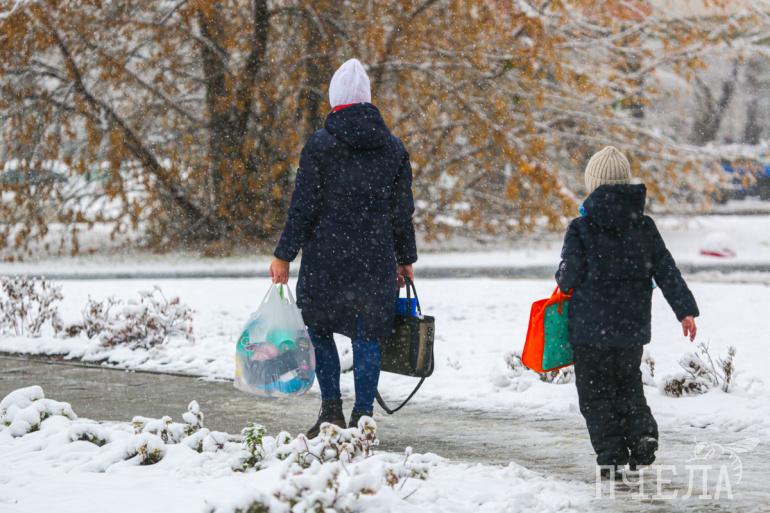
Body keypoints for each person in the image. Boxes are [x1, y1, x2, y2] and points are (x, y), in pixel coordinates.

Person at [269, 58, 417, 437]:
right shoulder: (393, 148)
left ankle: (331, 411)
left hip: (326, 257)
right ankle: (363, 417)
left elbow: (303, 206)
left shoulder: (320, 145)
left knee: (319, 329)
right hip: (375, 258)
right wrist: (405, 258)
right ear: (367, 99)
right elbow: (402, 211)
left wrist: (284, 254)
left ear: (335, 99)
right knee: (368, 336)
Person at [556, 146, 699, 476]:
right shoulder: (644, 226)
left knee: (595, 395)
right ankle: (642, 435)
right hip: (630, 330)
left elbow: (569, 278)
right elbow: (666, 270)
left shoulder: (581, 227)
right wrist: (685, 310)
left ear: (593, 183)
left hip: (590, 332)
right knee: (628, 386)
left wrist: (561, 275)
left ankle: (612, 454)